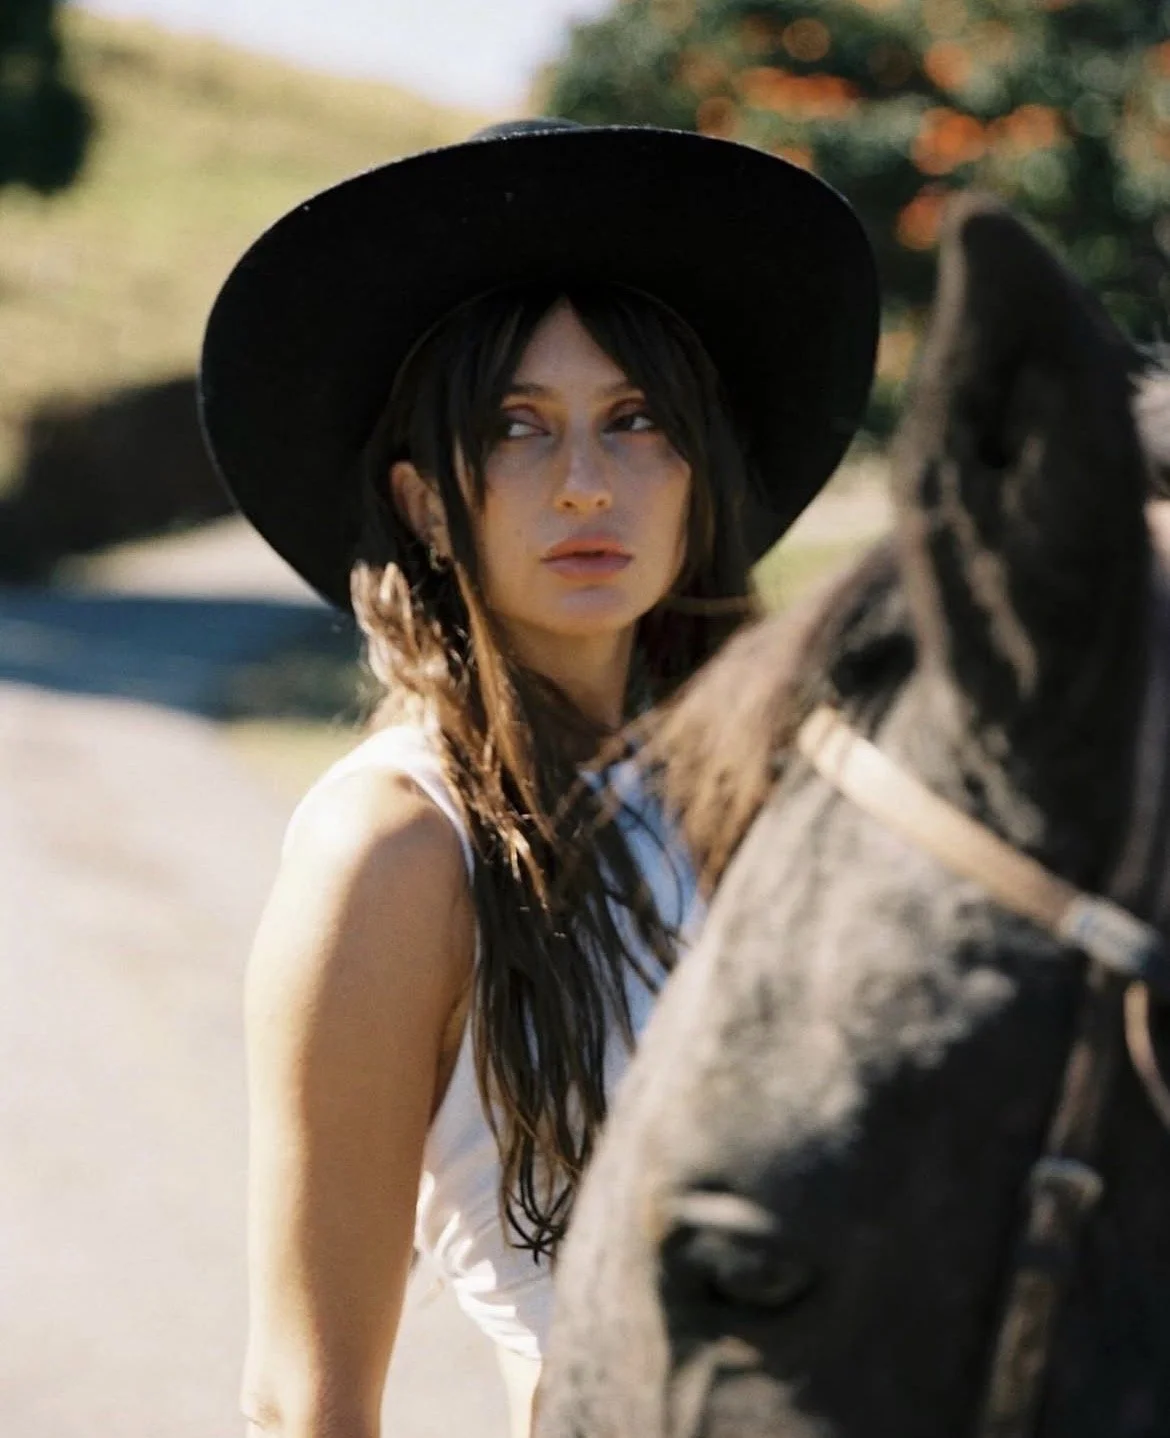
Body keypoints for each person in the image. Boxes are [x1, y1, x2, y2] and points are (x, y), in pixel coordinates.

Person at [197, 117, 879, 1438]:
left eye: (634, 421)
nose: (583, 485)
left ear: (696, 474)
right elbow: (302, 1399)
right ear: (424, 503)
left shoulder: (776, 796)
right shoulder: (397, 845)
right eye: (517, 427)